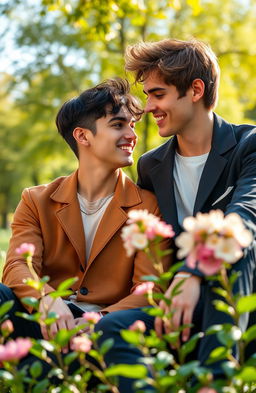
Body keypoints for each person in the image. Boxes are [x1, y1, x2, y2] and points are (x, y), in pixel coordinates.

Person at [96, 38, 256, 392]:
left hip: (235, 296)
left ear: (195, 89)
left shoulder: (249, 145)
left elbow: (246, 215)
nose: (148, 106)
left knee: (236, 248)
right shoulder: (151, 165)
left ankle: (214, 383)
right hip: (179, 303)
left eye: (158, 94)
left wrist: (194, 271)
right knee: (112, 328)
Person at [0, 78, 170, 381]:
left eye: (132, 125)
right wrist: (46, 300)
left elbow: (150, 289)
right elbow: (16, 267)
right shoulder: (36, 200)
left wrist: (98, 319)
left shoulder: (148, 205)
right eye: (119, 125)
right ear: (82, 136)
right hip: (44, 323)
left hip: (107, 333)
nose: (132, 135)